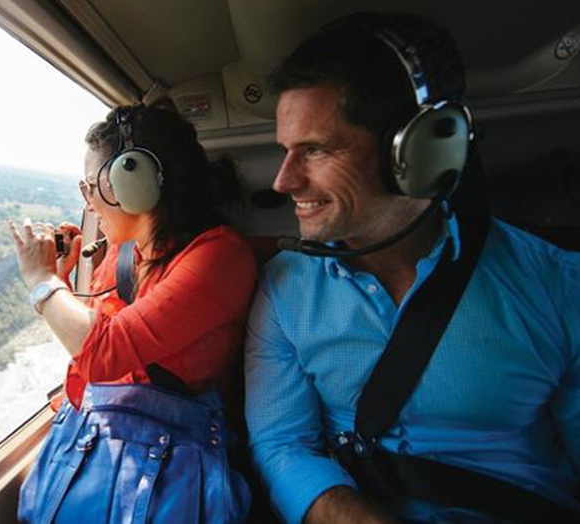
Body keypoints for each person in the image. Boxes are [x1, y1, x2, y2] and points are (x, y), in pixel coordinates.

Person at [244, 11, 580, 524]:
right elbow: (281, 444)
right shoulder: (285, 287)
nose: (284, 182)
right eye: (286, 151)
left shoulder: (559, 287)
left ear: (419, 150)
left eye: (315, 150)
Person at [7, 101, 256, 523]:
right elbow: (89, 345)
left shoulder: (219, 257)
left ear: (135, 180)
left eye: (91, 187)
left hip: (167, 466)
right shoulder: (126, 254)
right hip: (110, 445)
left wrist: (42, 280)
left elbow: (105, 353)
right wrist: (63, 280)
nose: (88, 205)